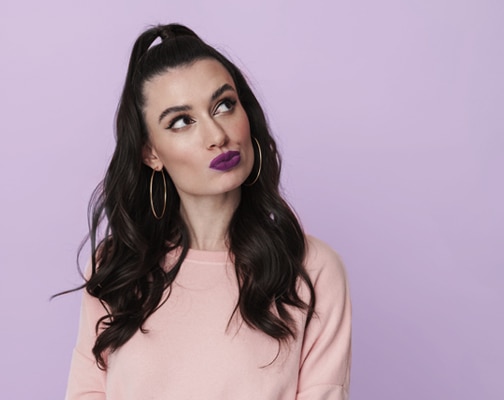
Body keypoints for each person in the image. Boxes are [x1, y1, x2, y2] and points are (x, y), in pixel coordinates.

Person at [65, 23, 351, 400]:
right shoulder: (116, 268)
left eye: (224, 105)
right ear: (151, 153)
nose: (217, 135)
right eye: (182, 121)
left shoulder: (311, 270)